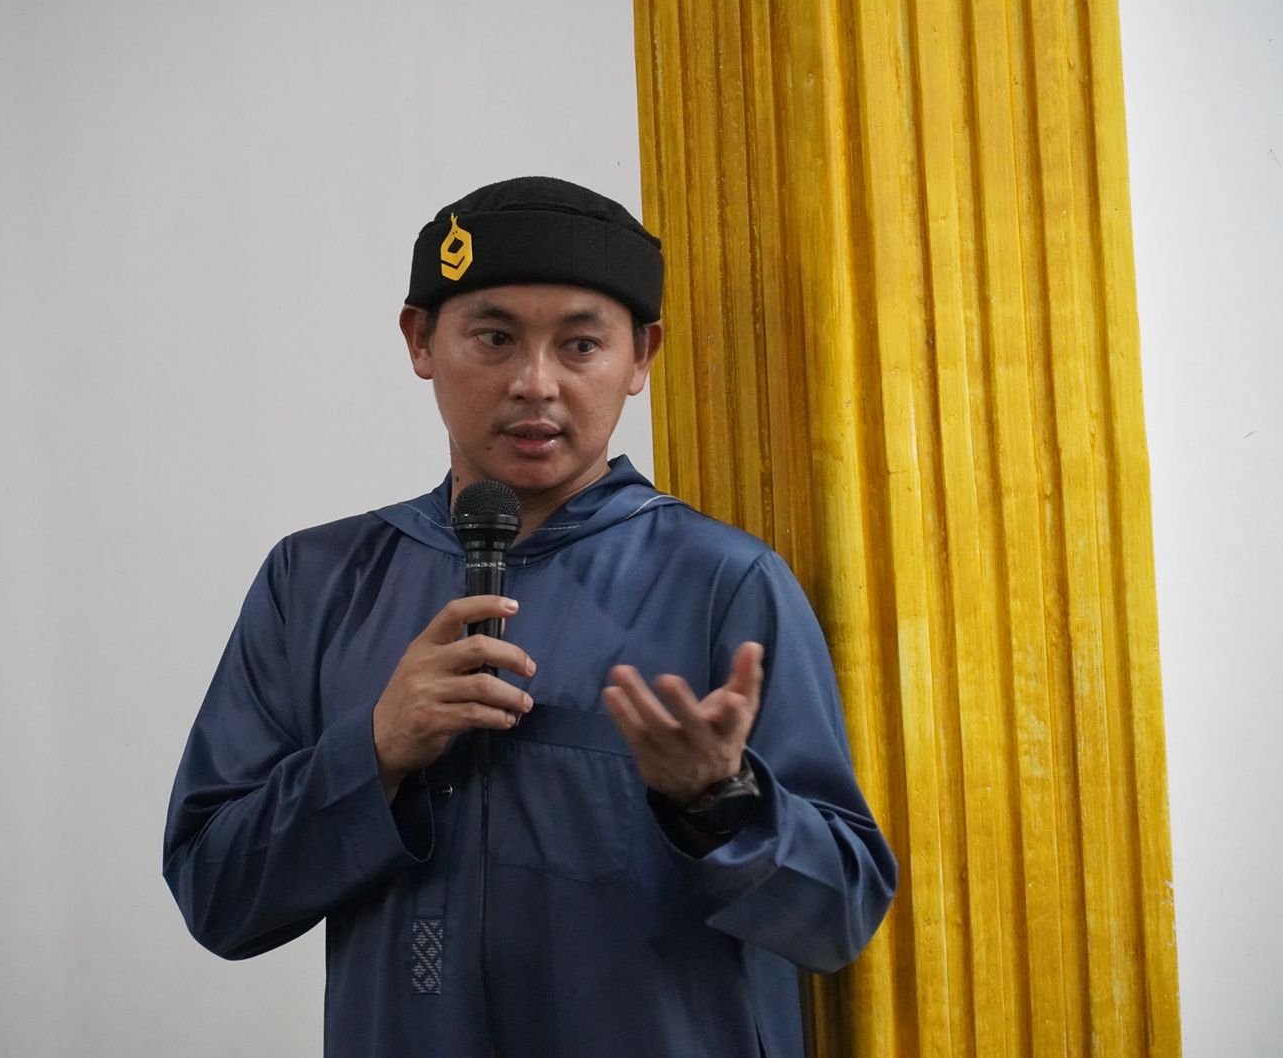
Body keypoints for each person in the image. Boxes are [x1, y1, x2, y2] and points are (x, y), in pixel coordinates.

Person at [163, 176, 896, 1057]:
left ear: (642, 356)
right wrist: (375, 751)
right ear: (420, 339)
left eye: (581, 345)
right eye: (495, 338)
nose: (535, 384)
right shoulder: (316, 582)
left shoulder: (724, 583)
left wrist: (719, 800)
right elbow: (216, 895)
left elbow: (839, 916)